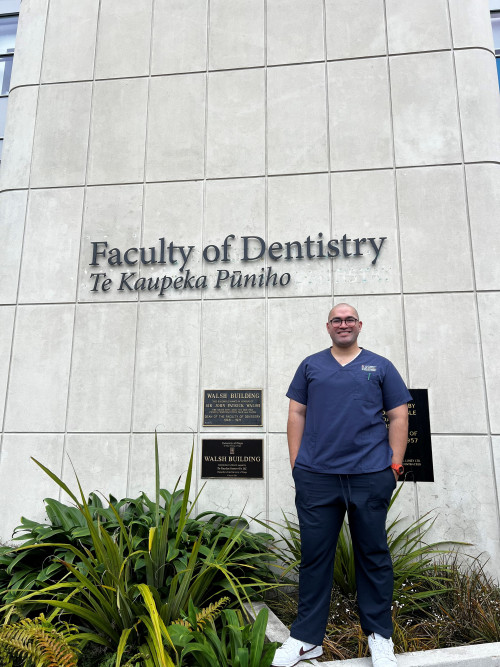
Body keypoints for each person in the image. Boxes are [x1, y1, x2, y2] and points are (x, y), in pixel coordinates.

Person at [272, 303, 412, 667]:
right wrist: (297, 464)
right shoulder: (311, 365)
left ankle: (380, 637)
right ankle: (306, 640)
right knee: (315, 558)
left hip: (369, 475)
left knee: (373, 556)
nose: (344, 324)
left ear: (360, 325)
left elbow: (399, 414)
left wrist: (393, 465)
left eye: (350, 319)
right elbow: (296, 412)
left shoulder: (380, 366)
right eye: (337, 319)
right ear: (328, 327)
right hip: (317, 478)